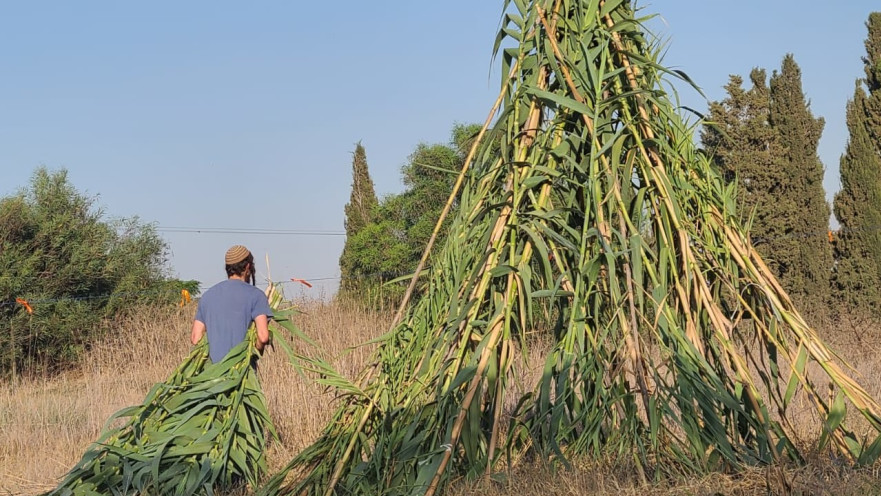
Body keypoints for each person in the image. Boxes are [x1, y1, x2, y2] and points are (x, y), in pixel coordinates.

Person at [190, 245, 272, 362]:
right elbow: (263, 337)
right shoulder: (256, 295)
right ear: (248, 266)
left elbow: (195, 338)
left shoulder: (208, 296)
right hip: (241, 374)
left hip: (212, 375)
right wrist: (253, 353)